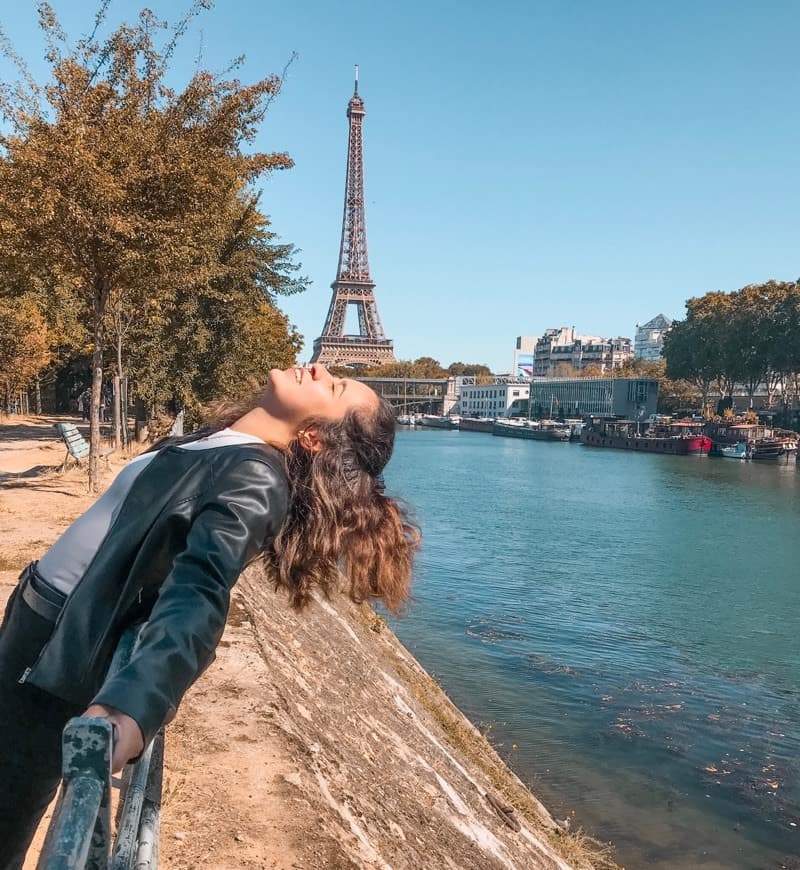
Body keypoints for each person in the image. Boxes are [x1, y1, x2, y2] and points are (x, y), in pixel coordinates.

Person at [0, 363, 418, 869]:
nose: (320, 368)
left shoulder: (254, 477)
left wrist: (133, 706)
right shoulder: (226, 445)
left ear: (312, 438)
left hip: (51, 653)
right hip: (38, 625)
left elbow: (199, 593)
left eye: (332, 387)